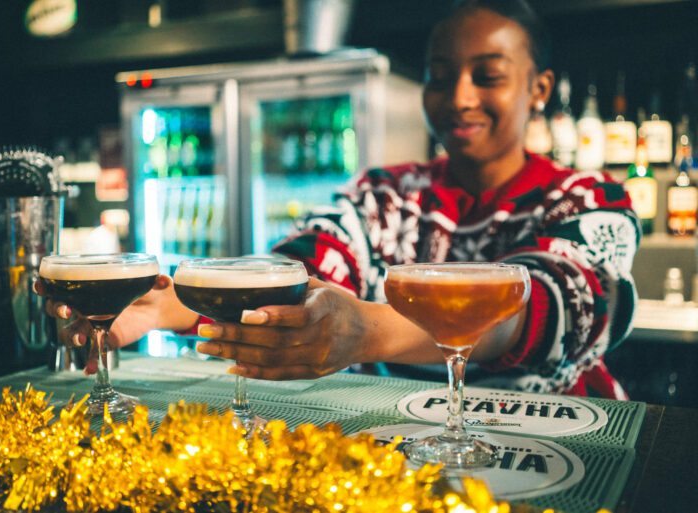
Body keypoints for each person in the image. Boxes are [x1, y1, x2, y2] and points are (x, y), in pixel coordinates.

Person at [41, 0, 639, 398]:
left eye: (488, 76)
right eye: (439, 75)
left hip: (559, 445)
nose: (459, 97)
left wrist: (366, 331)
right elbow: (302, 267)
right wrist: (163, 307)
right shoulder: (385, 194)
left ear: (539, 89)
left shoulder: (588, 198)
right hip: (398, 445)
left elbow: (553, 307)